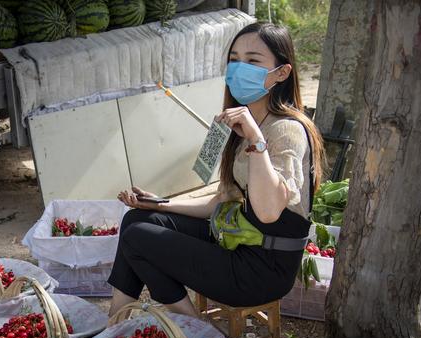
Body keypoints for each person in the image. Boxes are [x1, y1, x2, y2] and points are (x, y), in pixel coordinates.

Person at [107, 22, 325, 319]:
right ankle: (116, 319)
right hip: (236, 239)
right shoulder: (239, 124)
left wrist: (257, 141)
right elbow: (220, 201)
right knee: (138, 218)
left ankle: (196, 333)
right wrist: (159, 202)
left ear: (282, 73)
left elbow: (268, 212)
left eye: (253, 61)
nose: (239, 69)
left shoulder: (286, 130)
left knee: (139, 238)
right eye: (234, 60)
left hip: (261, 268)